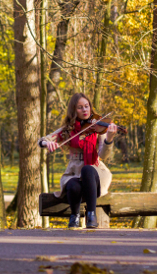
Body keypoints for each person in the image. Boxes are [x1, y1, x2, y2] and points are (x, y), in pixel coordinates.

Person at [38, 93, 118, 228]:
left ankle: (91, 215)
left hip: (95, 170)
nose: (85, 110)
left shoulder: (98, 128)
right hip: (74, 171)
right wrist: (47, 144)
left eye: (87, 106)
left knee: (87, 170)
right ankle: (74, 216)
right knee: (72, 185)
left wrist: (109, 139)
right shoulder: (68, 129)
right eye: (80, 107)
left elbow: (103, 155)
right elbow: (42, 140)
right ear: (74, 110)